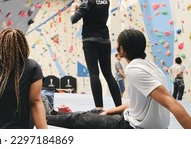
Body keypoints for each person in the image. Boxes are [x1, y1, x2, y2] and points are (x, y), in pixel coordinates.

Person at [47, 29, 191, 129]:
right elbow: (137, 102)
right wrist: (111, 111)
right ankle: (52, 113)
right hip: (139, 120)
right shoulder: (153, 67)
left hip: (134, 127)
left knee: (79, 120)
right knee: (95, 112)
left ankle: (41, 116)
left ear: (122, 49)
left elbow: (171, 102)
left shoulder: (133, 69)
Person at [70, 0, 122, 109]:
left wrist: (73, 8)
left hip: (90, 40)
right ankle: (119, 107)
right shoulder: (105, 0)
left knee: (94, 73)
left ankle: (99, 108)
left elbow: (73, 19)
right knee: (108, 74)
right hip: (105, 39)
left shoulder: (86, 1)